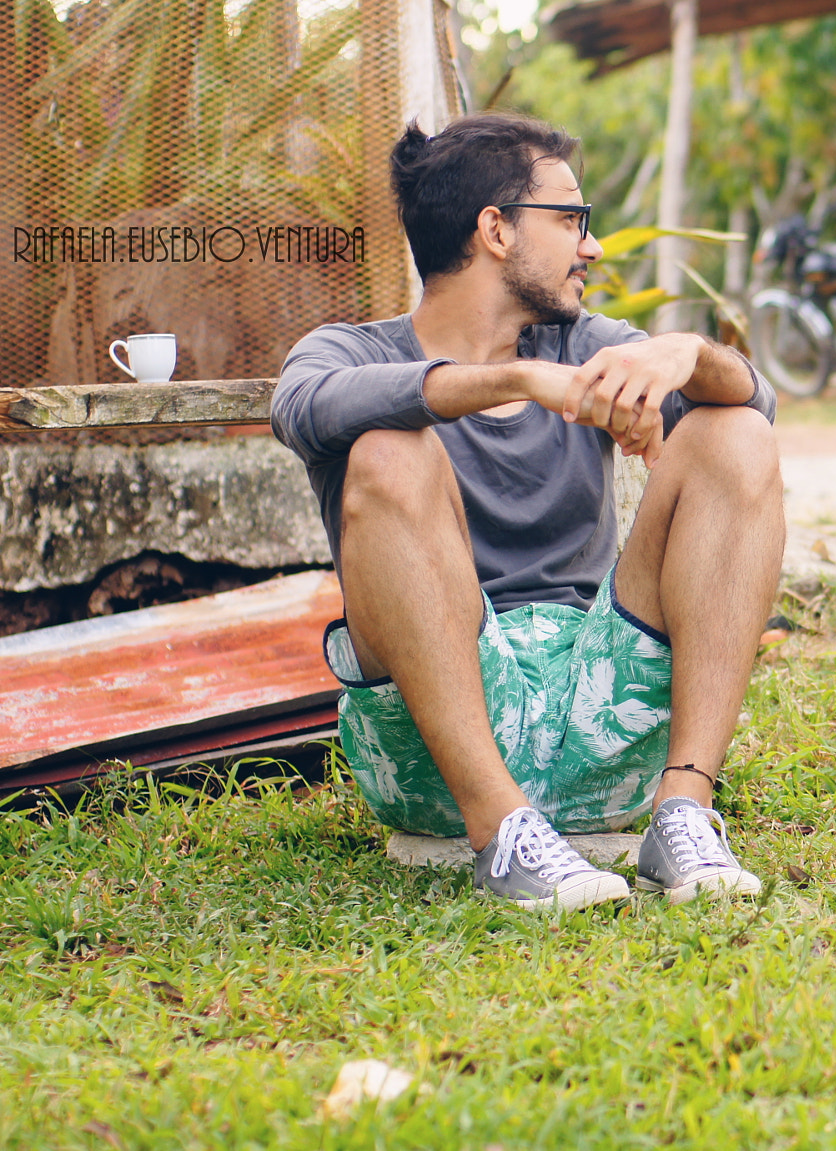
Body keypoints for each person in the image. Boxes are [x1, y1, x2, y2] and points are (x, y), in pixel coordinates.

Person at [272, 113, 784, 912]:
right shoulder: (349, 352)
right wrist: (517, 381)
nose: (593, 245)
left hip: (602, 716)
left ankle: (683, 812)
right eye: (572, 219)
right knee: (386, 449)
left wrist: (686, 353)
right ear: (495, 230)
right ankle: (505, 832)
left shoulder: (592, 344)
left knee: (738, 431)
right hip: (435, 760)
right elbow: (301, 408)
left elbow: (762, 404)